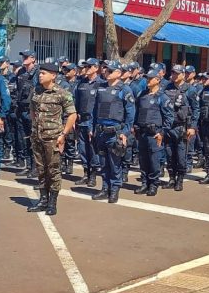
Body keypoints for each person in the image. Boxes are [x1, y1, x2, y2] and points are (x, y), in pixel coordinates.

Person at [27, 62, 77, 215]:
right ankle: (43, 200)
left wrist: (63, 134)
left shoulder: (62, 93)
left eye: (43, 73)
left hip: (53, 138)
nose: (40, 75)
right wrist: (35, 127)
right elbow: (32, 110)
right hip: (37, 137)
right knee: (41, 170)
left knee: (53, 170)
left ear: (53, 76)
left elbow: (72, 115)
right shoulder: (35, 91)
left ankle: (52, 203)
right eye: (40, 73)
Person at [90, 61, 135, 204]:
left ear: (118, 73)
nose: (106, 72)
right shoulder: (100, 88)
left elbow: (130, 114)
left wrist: (125, 132)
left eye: (110, 70)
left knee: (115, 164)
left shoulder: (125, 89)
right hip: (101, 132)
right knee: (103, 163)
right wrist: (92, 128)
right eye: (105, 70)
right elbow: (94, 110)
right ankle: (105, 188)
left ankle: (114, 190)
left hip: (115, 133)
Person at [133, 70, 174, 196]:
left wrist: (162, 132)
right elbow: (137, 112)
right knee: (143, 160)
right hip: (142, 132)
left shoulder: (162, 97)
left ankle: (153, 184)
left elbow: (169, 117)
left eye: (151, 78)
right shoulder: (142, 94)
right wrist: (134, 127)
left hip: (154, 134)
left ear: (158, 80)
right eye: (147, 78)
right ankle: (145, 183)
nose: (148, 81)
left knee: (154, 161)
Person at [162, 65, 195, 191]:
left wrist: (192, 127)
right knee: (169, 156)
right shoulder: (167, 88)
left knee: (181, 157)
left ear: (182, 74)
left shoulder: (190, 90)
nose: (174, 75)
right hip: (169, 127)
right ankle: (171, 178)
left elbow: (196, 110)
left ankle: (180, 180)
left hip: (182, 127)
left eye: (177, 73)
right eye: (173, 73)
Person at [73, 58, 103, 188]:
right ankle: (86, 173)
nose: (86, 69)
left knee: (92, 149)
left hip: (92, 121)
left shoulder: (101, 84)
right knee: (82, 149)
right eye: (85, 66)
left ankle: (93, 176)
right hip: (81, 120)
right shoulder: (81, 83)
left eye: (89, 66)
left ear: (96, 68)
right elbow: (76, 101)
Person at [14, 50, 40, 178]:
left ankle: (35, 167)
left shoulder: (37, 73)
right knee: (24, 140)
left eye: (26, 57)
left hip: (32, 110)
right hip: (21, 109)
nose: (23, 58)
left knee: (33, 140)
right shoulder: (20, 72)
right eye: (23, 56)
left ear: (33, 59)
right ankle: (29, 166)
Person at [58, 63, 80, 176]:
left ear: (74, 71)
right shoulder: (61, 82)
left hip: (71, 114)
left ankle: (70, 163)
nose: (66, 72)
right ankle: (62, 162)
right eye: (65, 70)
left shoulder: (78, 83)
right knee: (61, 139)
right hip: (61, 114)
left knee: (70, 140)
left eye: (69, 70)